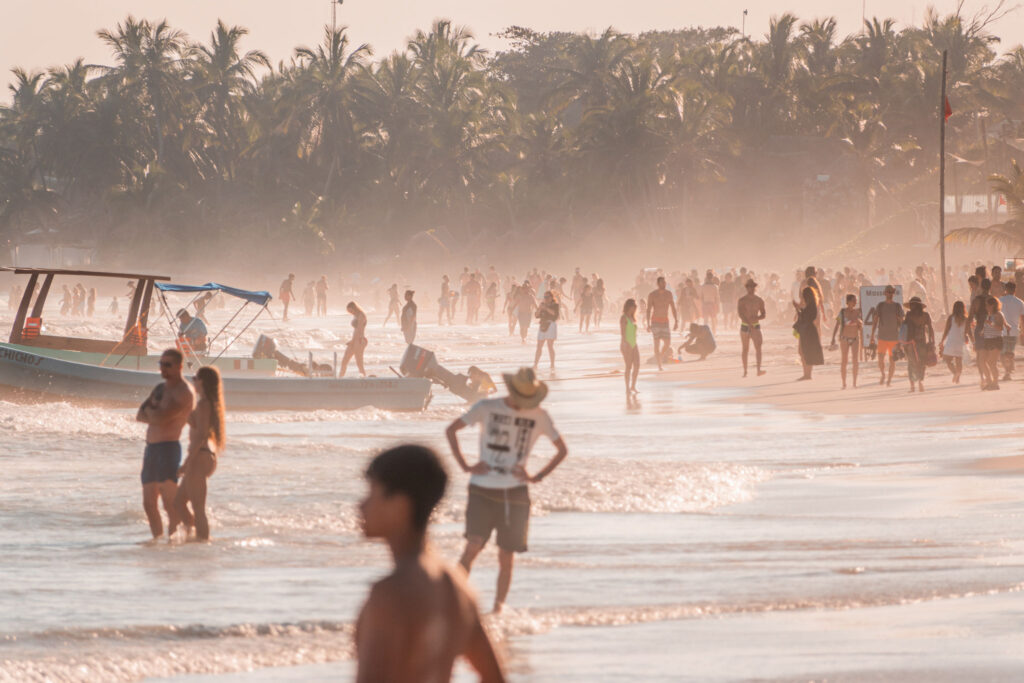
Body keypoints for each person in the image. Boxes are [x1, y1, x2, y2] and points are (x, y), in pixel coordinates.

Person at [356, 445, 505, 683]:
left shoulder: (391, 592)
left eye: (372, 492)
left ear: (400, 505)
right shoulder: (458, 587)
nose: (361, 505)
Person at [445, 368, 568, 614]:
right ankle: (451, 606)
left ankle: (497, 611)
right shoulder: (486, 408)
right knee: (473, 546)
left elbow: (561, 450)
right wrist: (465, 465)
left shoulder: (539, 416)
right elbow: (451, 430)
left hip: (516, 494)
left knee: (506, 556)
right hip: (481, 488)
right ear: (512, 392)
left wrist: (536, 477)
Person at [135, 349, 195, 540]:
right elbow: (140, 414)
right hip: (151, 448)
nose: (163, 368)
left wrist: (154, 414)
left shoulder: (184, 391)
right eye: (161, 364)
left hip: (168, 448)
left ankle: (183, 535)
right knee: (149, 502)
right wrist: (155, 415)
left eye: (167, 364)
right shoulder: (160, 388)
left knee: (170, 502)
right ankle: (157, 540)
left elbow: (162, 417)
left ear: (179, 366)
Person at [173, 366, 225, 541]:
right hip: (203, 456)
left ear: (202, 381)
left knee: (198, 507)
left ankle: (202, 542)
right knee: (178, 503)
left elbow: (202, 435)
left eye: (195, 378)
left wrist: (187, 462)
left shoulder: (205, 404)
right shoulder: (203, 403)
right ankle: (192, 537)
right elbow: (193, 422)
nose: (192, 380)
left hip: (200, 457)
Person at [868, 285, 903, 386]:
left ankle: (889, 380)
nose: (890, 294)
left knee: (892, 360)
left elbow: (902, 322)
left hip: (894, 337)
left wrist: (898, 318)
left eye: (891, 292)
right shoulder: (880, 305)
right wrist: (871, 336)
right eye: (888, 292)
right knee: (880, 359)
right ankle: (883, 374)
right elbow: (875, 321)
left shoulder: (897, 306)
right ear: (885, 293)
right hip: (882, 336)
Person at [829, 294, 863, 389]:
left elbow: (860, 328)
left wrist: (859, 323)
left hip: (855, 338)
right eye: (853, 300)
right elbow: (837, 325)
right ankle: (844, 383)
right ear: (848, 302)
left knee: (855, 360)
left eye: (855, 300)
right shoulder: (842, 312)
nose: (855, 302)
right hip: (844, 338)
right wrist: (833, 338)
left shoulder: (858, 312)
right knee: (844, 360)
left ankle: (854, 383)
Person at [902, 297, 934, 393]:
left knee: (913, 363)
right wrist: (932, 342)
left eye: (913, 305)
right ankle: (919, 382)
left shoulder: (909, 316)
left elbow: (905, 329)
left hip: (912, 343)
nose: (911, 307)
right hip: (919, 343)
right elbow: (930, 329)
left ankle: (915, 385)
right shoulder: (925, 316)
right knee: (920, 363)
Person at [646, 276, 678, 371]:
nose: (664, 284)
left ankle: (659, 356)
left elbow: (673, 308)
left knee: (667, 343)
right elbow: (648, 310)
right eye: (662, 283)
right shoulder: (652, 295)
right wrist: (648, 324)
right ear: (658, 283)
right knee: (656, 343)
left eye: (664, 283)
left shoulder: (669, 294)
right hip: (655, 321)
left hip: (665, 321)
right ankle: (659, 364)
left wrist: (676, 321)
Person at [737, 280, 767, 378]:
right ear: (747, 288)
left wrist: (756, 318)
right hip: (745, 326)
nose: (751, 288)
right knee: (745, 349)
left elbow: (763, 314)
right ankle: (745, 371)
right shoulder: (742, 300)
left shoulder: (759, 300)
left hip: (755, 325)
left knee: (758, 348)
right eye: (749, 287)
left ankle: (758, 370)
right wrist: (749, 322)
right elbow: (740, 314)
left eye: (753, 287)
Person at [978, 296, 1008, 390]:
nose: (986, 307)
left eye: (988, 305)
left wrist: (991, 324)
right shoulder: (989, 315)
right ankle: (989, 381)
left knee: (992, 363)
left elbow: (1000, 328)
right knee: (982, 361)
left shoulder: (999, 314)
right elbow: (987, 325)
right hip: (987, 340)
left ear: (993, 305)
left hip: (996, 340)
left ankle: (995, 383)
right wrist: (983, 331)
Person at [794, 287, 824, 381]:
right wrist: (798, 308)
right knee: (803, 351)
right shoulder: (809, 305)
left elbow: (805, 317)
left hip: (809, 330)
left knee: (806, 351)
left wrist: (797, 308)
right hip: (805, 330)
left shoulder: (812, 306)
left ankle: (807, 374)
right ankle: (806, 373)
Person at [998, 281, 1024, 380]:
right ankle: (1008, 370)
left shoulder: (1000, 300)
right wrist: (1023, 332)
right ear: (1015, 289)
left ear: (1006, 289)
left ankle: (1007, 371)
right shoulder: (1020, 302)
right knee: (1010, 351)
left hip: (1002, 331)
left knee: (1002, 353)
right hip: (1014, 331)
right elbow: (1022, 319)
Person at [939, 300, 969, 384]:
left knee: (947, 360)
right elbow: (968, 332)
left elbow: (946, 330)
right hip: (960, 342)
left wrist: (942, 340)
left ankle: (955, 372)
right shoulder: (966, 319)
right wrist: (972, 341)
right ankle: (958, 378)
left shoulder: (951, 317)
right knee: (958, 360)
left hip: (951, 341)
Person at [341, 301, 368, 377]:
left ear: (354, 308)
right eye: (349, 311)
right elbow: (355, 330)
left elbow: (359, 330)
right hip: (354, 339)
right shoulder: (355, 315)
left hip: (359, 340)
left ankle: (364, 379)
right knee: (344, 361)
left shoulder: (361, 315)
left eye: (351, 311)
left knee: (359, 363)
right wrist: (352, 341)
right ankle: (340, 378)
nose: (350, 313)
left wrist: (353, 341)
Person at [534, 291, 559, 370]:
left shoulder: (555, 305)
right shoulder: (542, 304)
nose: (546, 299)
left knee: (550, 346)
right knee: (539, 346)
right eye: (544, 297)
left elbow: (555, 314)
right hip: (542, 325)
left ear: (551, 297)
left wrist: (546, 308)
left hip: (551, 325)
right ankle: (535, 364)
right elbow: (536, 315)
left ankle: (552, 364)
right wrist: (540, 309)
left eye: (547, 297)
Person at [620, 299, 640, 395]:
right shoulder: (623, 318)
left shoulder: (633, 318)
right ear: (628, 307)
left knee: (637, 365)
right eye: (633, 307)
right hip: (626, 344)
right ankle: (627, 388)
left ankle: (633, 386)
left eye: (635, 308)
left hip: (634, 343)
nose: (634, 309)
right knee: (628, 367)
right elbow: (623, 333)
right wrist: (626, 344)